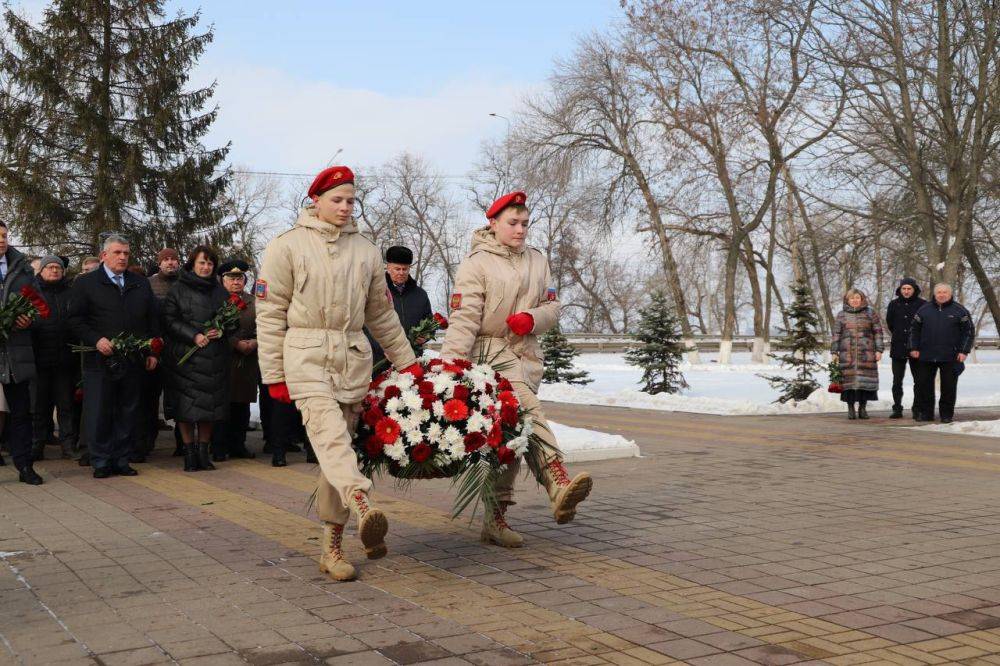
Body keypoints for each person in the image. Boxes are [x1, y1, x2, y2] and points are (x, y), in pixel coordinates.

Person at [256, 165, 419, 582]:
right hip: (306, 355)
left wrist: (410, 365)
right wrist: (274, 374)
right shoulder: (285, 247)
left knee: (339, 452)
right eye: (337, 200)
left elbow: (381, 316)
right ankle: (362, 501)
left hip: (351, 356)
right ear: (316, 200)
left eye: (351, 200)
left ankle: (332, 546)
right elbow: (270, 313)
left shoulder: (365, 250)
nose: (346, 207)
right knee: (329, 436)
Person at [440, 191, 593, 548]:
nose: (521, 230)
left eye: (525, 223)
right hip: (490, 351)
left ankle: (495, 519)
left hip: (527, 356)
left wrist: (532, 318)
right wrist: (448, 368)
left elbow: (553, 307)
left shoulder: (538, 260)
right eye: (513, 223)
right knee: (528, 411)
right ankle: (557, 480)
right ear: (493, 224)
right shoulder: (475, 264)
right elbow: (463, 320)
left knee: (511, 439)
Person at [68, 233, 160, 478]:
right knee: (99, 410)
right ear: (104, 256)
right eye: (117, 253)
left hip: (132, 359)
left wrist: (151, 350)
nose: (122, 257)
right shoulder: (86, 283)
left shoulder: (140, 283)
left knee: (128, 409)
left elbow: (152, 320)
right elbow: (75, 320)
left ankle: (121, 458)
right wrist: (96, 339)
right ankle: (100, 460)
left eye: (126, 253)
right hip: (99, 359)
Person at [162, 245, 233, 472]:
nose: (206, 267)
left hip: (214, 359)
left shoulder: (220, 291)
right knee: (186, 408)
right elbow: (169, 320)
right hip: (186, 358)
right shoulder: (178, 289)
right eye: (202, 262)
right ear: (192, 264)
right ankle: (189, 452)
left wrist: (222, 330)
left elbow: (231, 320)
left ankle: (204, 452)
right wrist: (193, 335)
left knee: (208, 408)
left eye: (210, 263)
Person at [0, 223, 43, 484]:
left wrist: (29, 318)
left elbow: (40, 306)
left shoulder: (23, 270)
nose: (1, 241)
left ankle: (25, 465)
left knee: (21, 412)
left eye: (4, 236)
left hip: (17, 353)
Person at [211, 259, 257, 462]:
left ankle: (239, 444)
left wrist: (255, 342)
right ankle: (219, 446)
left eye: (240, 278)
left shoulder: (253, 301)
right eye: (232, 278)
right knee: (223, 405)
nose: (236, 282)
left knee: (242, 405)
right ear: (223, 280)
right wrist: (236, 343)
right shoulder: (216, 299)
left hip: (247, 361)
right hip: (225, 358)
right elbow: (213, 326)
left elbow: (264, 324)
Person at [31, 256, 76, 461]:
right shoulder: (31, 292)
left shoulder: (71, 292)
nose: (54, 270)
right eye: (50, 267)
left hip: (64, 359)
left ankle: (68, 446)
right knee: (40, 408)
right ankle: (37, 446)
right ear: (41, 271)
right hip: (39, 360)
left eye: (58, 267)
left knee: (66, 406)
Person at [910, 283, 974, 423]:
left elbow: (968, 332)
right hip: (926, 355)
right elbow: (914, 330)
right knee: (925, 386)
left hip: (951, 356)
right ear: (935, 293)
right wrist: (913, 347)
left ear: (950, 294)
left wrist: (964, 351)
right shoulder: (924, 310)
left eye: (945, 292)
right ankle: (927, 414)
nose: (942, 294)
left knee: (948, 387)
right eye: (939, 292)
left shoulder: (960, 310)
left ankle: (946, 415)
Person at [365, 245, 432, 373]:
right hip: (380, 360)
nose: (401, 272)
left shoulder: (420, 295)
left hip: (412, 358)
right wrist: (385, 348)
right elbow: (366, 325)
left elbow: (429, 321)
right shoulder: (376, 291)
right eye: (397, 269)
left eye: (405, 269)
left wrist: (426, 336)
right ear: (388, 267)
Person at [147, 248, 183, 457]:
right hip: (156, 347)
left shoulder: (185, 284)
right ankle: (147, 441)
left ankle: (182, 443)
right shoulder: (149, 284)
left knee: (179, 396)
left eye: (174, 260)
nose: (170, 263)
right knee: (151, 397)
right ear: (159, 263)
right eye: (166, 260)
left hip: (180, 348)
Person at [831, 289, 885, 420]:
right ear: (847, 300)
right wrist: (834, 351)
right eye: (852, 298)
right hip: (847, 354)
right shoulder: (841, 315)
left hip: (866, 354)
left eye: (857, 298)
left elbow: (878, 332)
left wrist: (879, 350)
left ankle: (862, 408)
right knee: (848, 383)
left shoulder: (870, 313)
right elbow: (836, 334)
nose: (855, 300)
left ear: (862, 299)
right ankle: (850, 408)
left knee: (864, 383)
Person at [885, 278, 926, 419]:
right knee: (897, 380)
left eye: (909, 289)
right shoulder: (893, 304)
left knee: (919, 380)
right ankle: (897, 408)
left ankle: (917, 409)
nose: (906, 291)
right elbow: (890, 323)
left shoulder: (923, 305)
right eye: (904, 289)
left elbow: (925, 325)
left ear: (914, 289)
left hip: (917, 348)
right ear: (900, 290)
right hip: (898, 347)